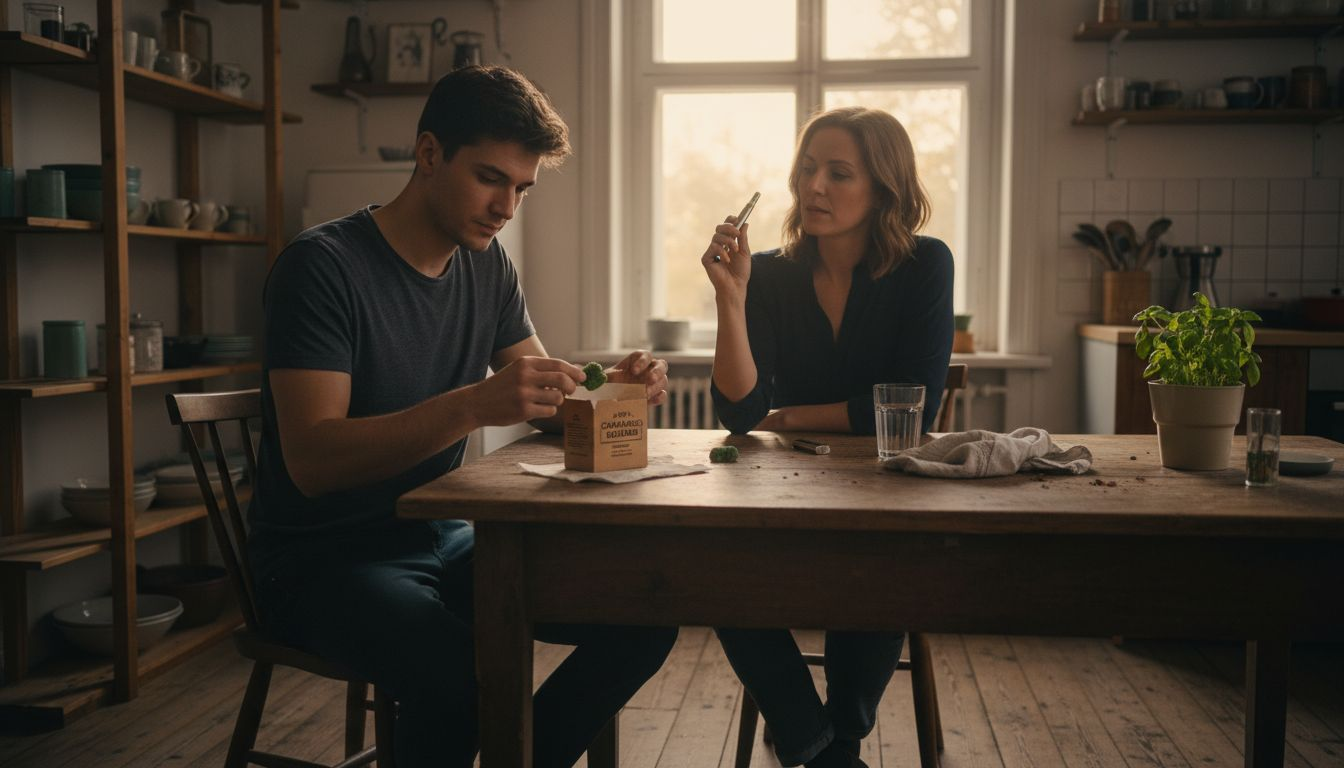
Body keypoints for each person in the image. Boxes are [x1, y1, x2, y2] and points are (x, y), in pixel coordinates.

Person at [247, 65, 678, 768]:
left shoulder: (487, 267)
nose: (506, 205)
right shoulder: (321, 268)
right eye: (490, 178)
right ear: (427, 154)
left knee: (643, 613)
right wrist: (475, 403)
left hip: (439, 537)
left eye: (522, 188)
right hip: (318, 559)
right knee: (458, 668)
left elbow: (549, 400)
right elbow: (314, 461)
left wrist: (610, 392)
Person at [700, 106, 954, 767]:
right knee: (714, 571)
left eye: (838, 174)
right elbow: (739, 411)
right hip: (789, 488)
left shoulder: (926, 264)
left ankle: (823, 738)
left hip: (887, 493)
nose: (814, 187)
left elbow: (912, 409)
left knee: (878, 564)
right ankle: (826, 748)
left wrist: (793, 417)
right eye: (808, 169)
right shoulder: (775, 275)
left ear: (884, 190)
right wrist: (731, 297)